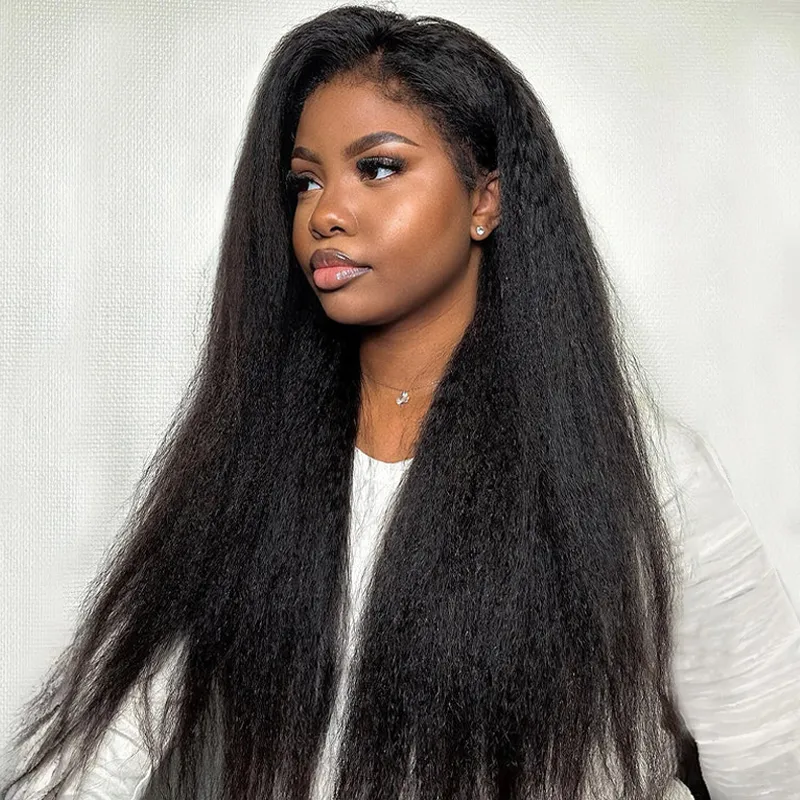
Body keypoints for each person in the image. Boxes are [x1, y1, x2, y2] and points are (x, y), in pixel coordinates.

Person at [3, 5, 799, 799]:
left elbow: (770, 760)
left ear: (486, 201)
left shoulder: (644, 476)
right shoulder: (248, 469)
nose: (326, 212)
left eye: (377, 167)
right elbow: (105, 741)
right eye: (305, 180)